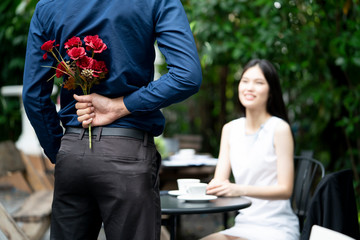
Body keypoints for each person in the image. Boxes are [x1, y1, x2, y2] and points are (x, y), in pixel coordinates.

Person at [22, 0, 202, 239]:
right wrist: (122, 106)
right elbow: (186, 76)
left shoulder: (48, 4)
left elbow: (34, 95)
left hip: (73, 154)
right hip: (127, 154)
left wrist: (60, 149)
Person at [201, 59, 299, 240]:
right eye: (245, 81)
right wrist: (209, 188)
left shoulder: (279, 128)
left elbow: (285, 189)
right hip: (243, 225)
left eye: (259, 82)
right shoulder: (230, 129)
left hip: (276, 226)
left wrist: (239, 189)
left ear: (270, 91)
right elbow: (219, 182)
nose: (249, 87)